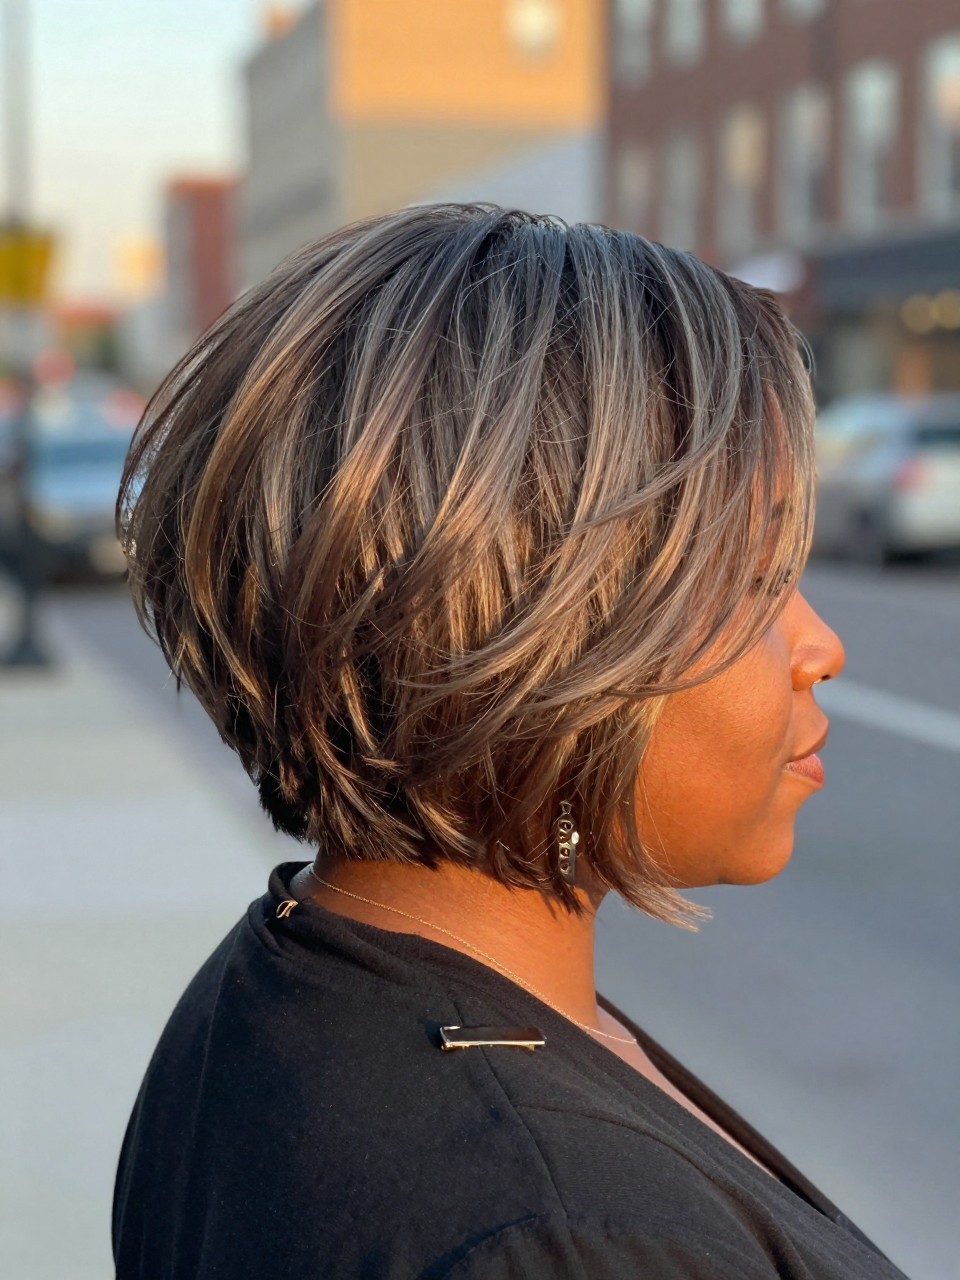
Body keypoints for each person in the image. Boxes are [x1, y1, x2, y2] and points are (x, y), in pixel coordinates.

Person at [111, 204, 906, 1279]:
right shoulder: (563, 1237)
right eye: (759, 576)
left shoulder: (303, 972)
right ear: (524, 627)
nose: (822, 645)